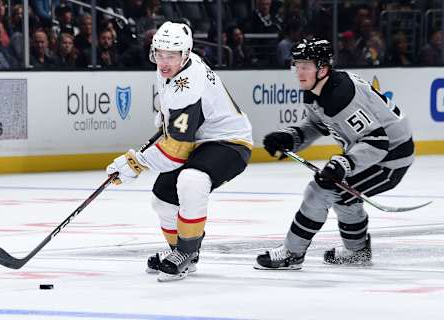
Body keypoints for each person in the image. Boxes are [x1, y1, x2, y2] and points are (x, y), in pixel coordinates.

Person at [106, 21, 253, 281]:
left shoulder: (189, 81)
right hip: (200, 142)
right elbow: (175, 126)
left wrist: (136, 163)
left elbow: (175, 151)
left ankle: (186, 251)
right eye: (159, 55)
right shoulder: (172, 68)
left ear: (185, 55)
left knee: (191, 180)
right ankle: (180, 251)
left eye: (170, 56)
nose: (163, 62)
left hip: (230, 142)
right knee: (162, 197)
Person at [255, 38, 414, 270]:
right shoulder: (317, 89)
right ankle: (357, 253)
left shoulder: (341, 96)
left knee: (320, 190)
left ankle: (292, 253)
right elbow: (319, 124)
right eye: (297, 65)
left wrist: (343, 164)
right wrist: (290, 137)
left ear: (323, 68)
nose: (299, 72)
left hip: (391, 158)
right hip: (376, 150)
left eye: (306, 66)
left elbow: (377, 141)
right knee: (343, 195)